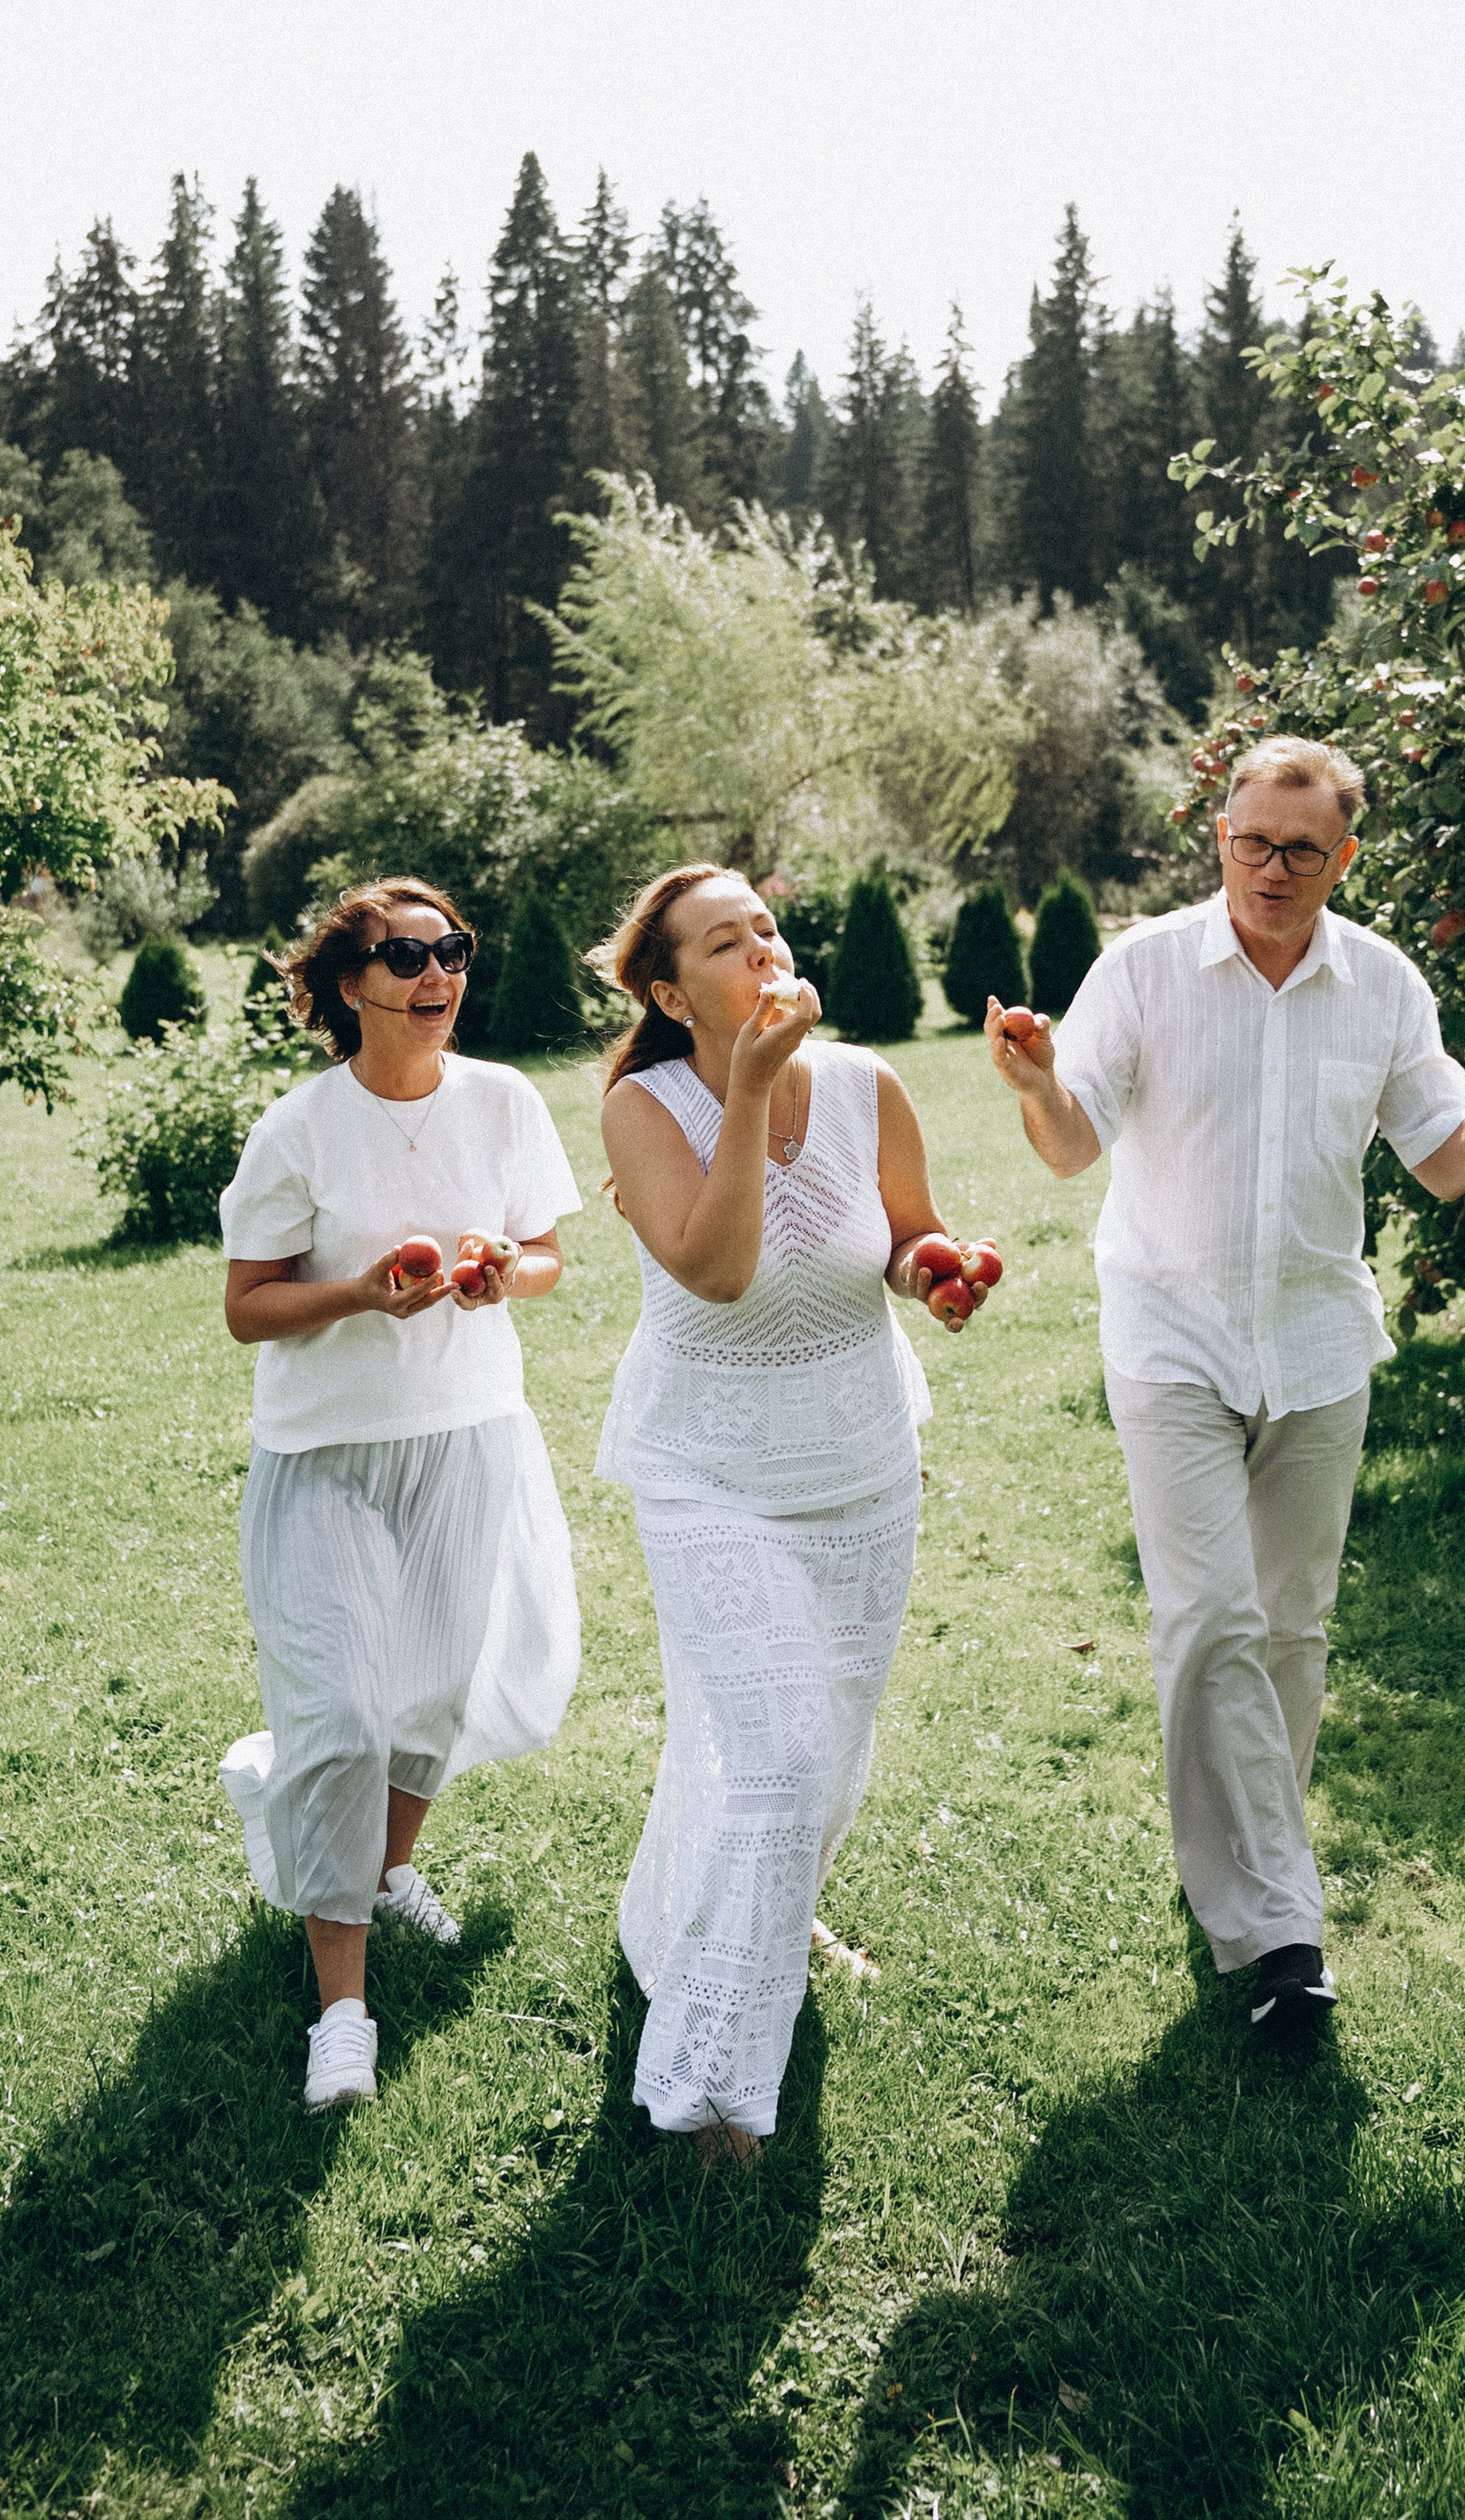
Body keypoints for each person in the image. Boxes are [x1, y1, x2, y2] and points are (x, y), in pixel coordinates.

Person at [986, 735, 1465, 2032]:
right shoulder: (1146, 968)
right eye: (1248, 840)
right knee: (1209, 1620)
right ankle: (1280, 1929)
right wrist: (1039, 1084)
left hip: (1322, 1350)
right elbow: (1069, 1149)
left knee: (1288, 1631)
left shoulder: (1381, 983)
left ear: (1346, 854)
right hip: (1169, 1340)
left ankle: (1235, 1870)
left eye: (1300, 848)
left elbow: (1445, 1159)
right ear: (1218, 833)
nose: (1270, 868)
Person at [597, 863, 991, 2165]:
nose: (762, 950)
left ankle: (732, 1915)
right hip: (708, 1472)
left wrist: (933, 1271)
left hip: (860, 1462)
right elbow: (714, 1273)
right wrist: (755, 1086)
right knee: (769, 1759)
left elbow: (903, 1235)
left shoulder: (871, 1084)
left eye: (766, 928)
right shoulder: (644, 1110)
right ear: (670, 990)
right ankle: (709, 2096)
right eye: (725, 942)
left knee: (821, 1753)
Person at [216, 879, 583, 2112]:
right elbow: (247, 1304)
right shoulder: (300, 1130)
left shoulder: (505, 1101)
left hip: (468, 1436)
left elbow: (543, 1254)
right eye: (406, 957)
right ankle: (341, 2017)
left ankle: (379, 1871)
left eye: (453, 952)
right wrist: (362, 1294)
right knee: (340, 1723)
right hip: (327, 1453)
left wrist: (496, 1276)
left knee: (428, 1700)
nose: (437, 977)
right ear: (349, 986)